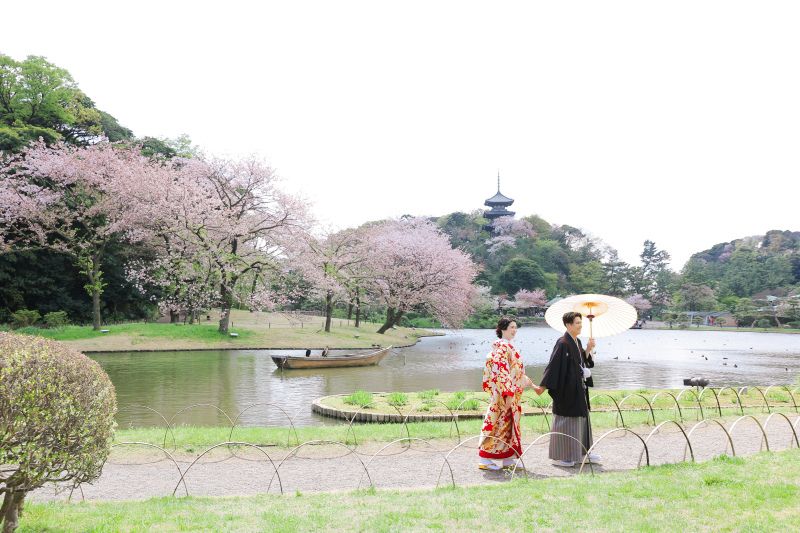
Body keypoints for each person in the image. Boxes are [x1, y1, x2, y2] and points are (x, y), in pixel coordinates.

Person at [533, 312, 599, 467]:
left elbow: (580, 361)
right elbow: (554, 366)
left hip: (578, 388)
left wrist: (588, 349)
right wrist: (542, 387)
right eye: (577, 323)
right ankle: (560, 456)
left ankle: (582, 452)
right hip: (567, 390)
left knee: (582, 419)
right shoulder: (563, 343)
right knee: (567, 421)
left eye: (581, 322)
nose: (580, 325)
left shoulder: (577, 341)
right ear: (568, 324)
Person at [478, 317, 536, 471]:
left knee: (508, 425)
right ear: (503, 329)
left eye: (516, 327)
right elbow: (502, 372)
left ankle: (508, 459)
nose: (515, 330)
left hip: (510, 392)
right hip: (504, 394)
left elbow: (517, 372)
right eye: (512, 327)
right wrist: (508, 393)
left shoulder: (507, 347)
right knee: (497, 423)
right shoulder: (502, 347)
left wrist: (531, 384)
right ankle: (484, 458)